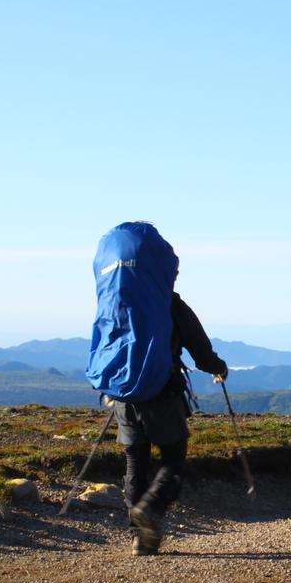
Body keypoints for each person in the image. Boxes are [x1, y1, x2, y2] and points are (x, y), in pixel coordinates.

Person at [85, 222, 229, 556]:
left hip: (122, 395)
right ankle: (149, 510)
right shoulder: (170, 305)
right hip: (161, 393)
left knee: (135, 464)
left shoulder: (116, 304)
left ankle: (140, 538)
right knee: (173, 461)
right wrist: (218, 368)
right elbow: (201, 352)